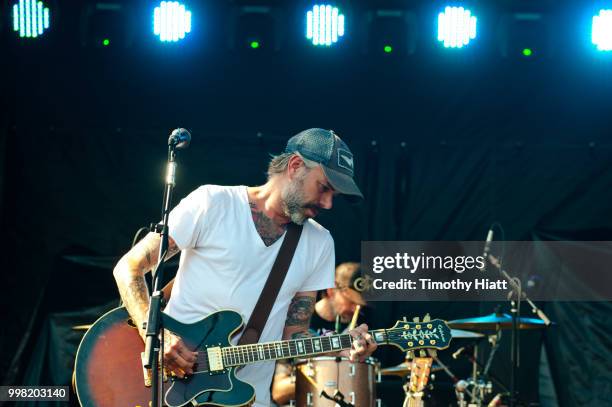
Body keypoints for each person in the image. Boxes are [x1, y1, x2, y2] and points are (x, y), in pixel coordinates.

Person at [113, 128, 377, 406]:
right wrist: (158, 336)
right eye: (324, 188)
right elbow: (128, 267)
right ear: (296, 166)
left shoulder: (319, 242)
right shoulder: (213, 203)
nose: (327, 203)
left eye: (334, 195)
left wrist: (339, 347)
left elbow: (294, 334)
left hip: (247, 398)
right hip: (168, 384)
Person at [271, 262, 367, 406]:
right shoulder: (296, 324)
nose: (356, 309)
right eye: (351, 301)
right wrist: (329, 375)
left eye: (361, 304)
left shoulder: (357, 331)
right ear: (331, 290)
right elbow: (279, 392)